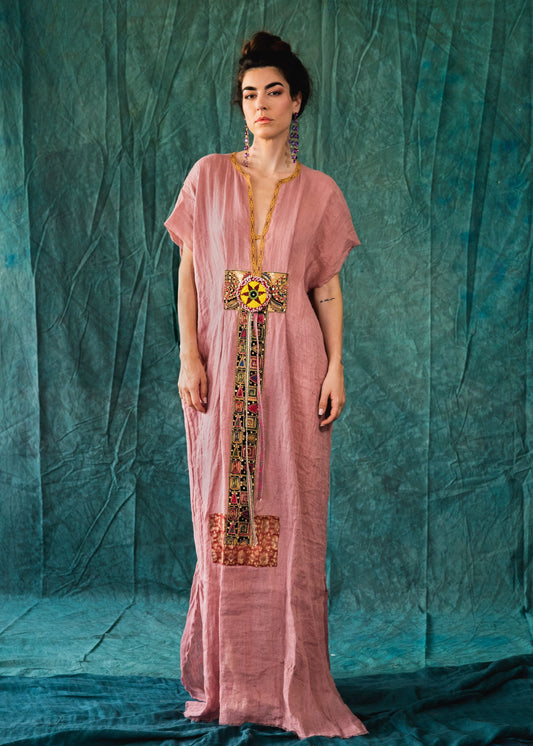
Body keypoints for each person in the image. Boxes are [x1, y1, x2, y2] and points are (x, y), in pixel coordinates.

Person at [164, 31, 367, 740]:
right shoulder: (207, 177)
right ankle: (232, 684)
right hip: (222, 368)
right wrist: (188, 356)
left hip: (294, 367)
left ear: (296, 100)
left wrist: (336, 366)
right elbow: (190, 271)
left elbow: (327, 289)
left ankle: (291, 688)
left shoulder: (320, 193)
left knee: (294, 522)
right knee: (223, 520)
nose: (260, 104)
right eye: (249, 94)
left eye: (274, 92)